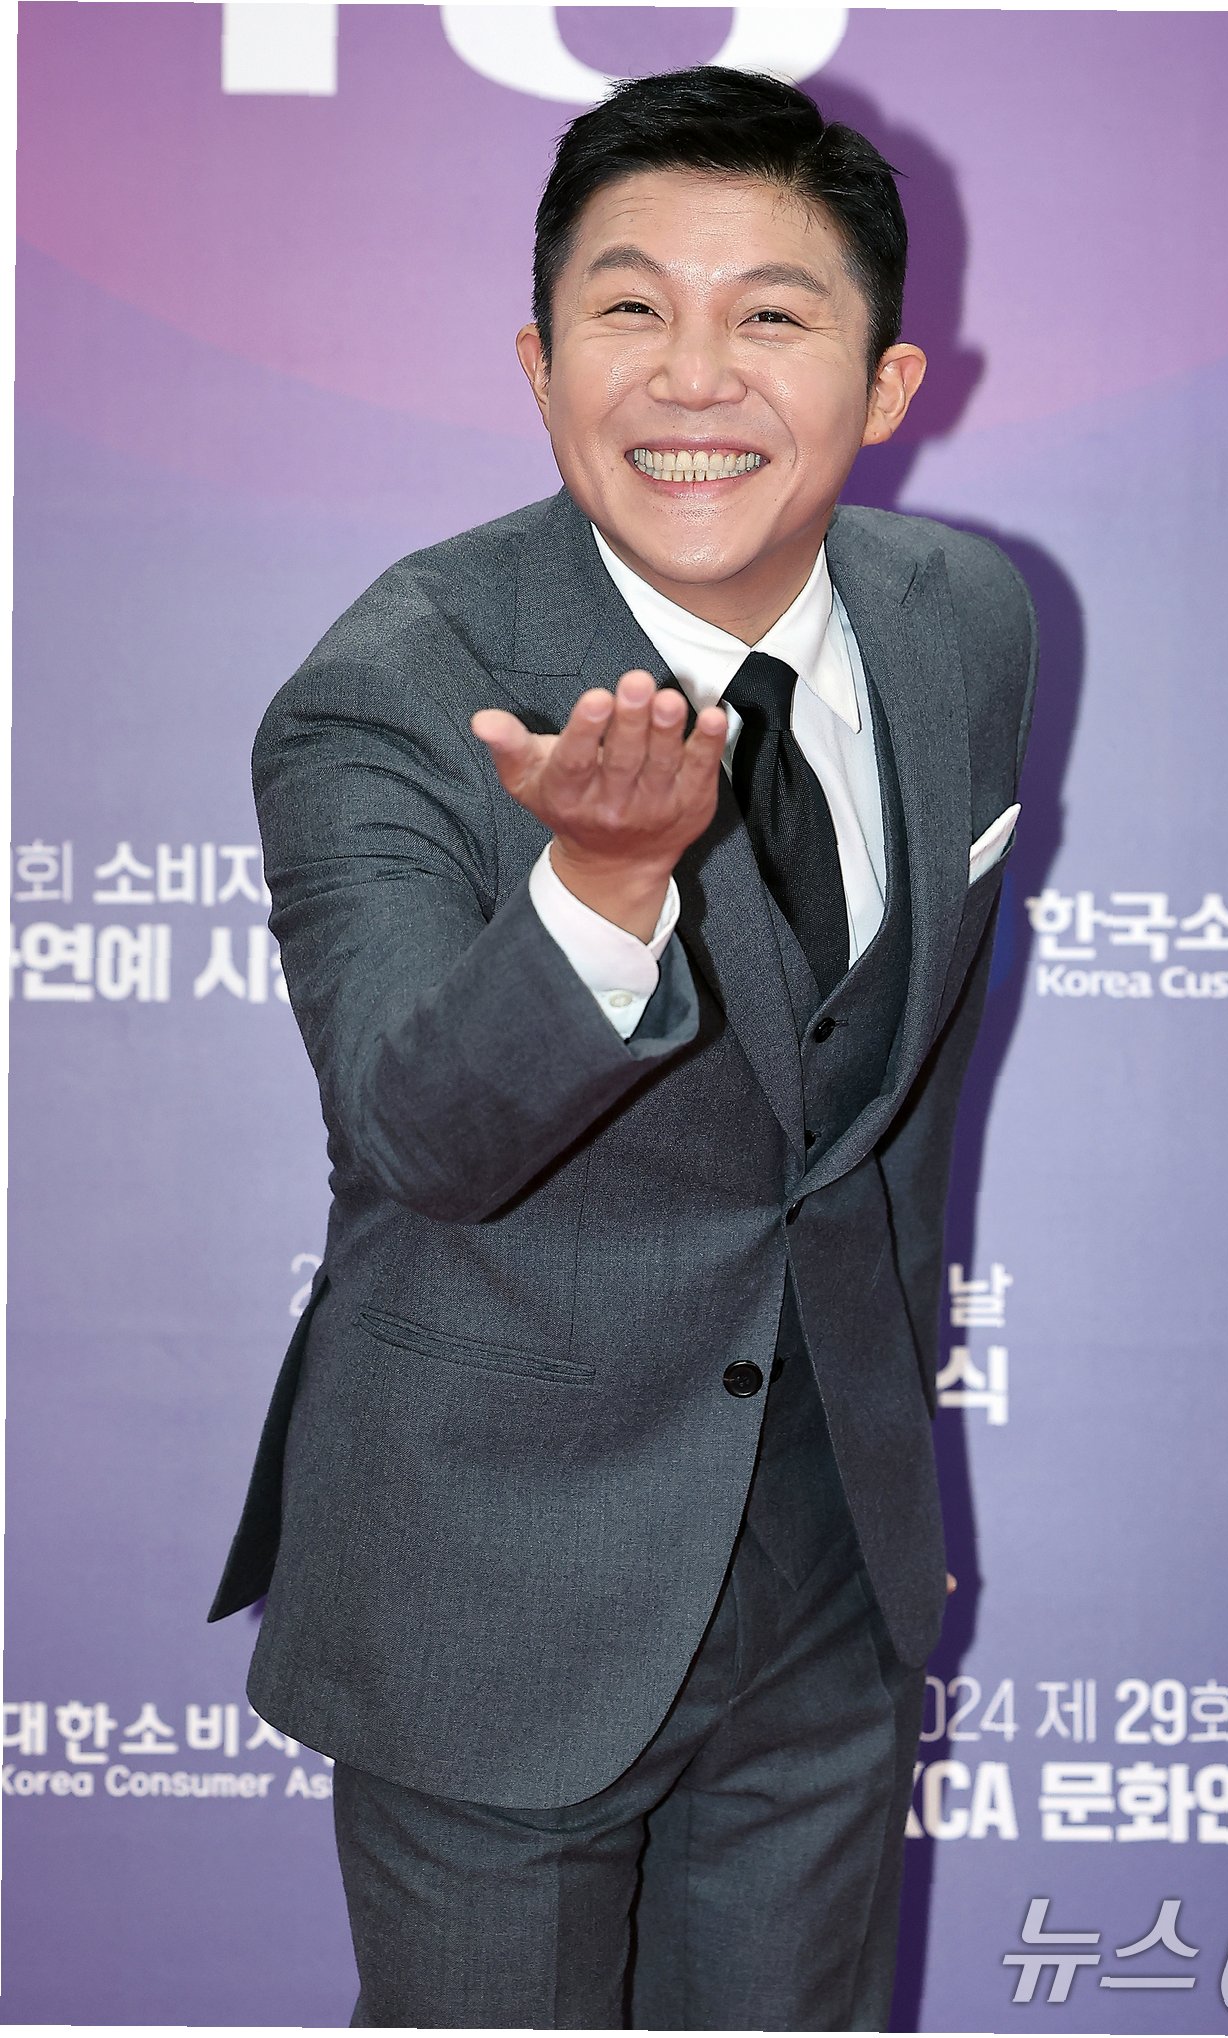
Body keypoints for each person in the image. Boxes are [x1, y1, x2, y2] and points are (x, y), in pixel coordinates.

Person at [209, 62, 1037, 2032]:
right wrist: (595, 881)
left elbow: (857, 1104)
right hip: (494, 1585)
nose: (693, 378)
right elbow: (417, 1125)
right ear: (537, 361)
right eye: (630, 309)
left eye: (771, 316)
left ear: (887, 385)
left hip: (827, 1572)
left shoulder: (962, 622)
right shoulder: (393, 687)